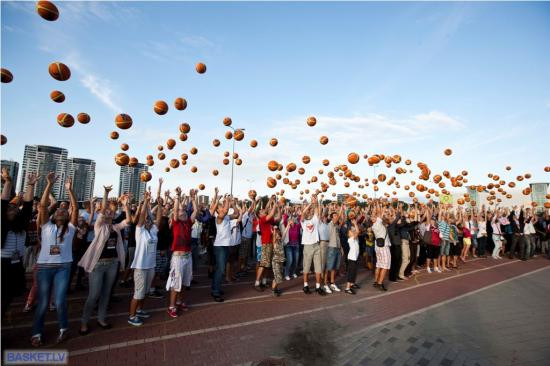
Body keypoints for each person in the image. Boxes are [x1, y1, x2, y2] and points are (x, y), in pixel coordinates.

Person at [31, 173, 78, 346]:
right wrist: (49, 184)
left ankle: (63, 329)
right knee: (43, 302)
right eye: (58, 210)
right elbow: (43, 206)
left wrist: (70, 190)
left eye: (64, 211)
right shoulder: (46, 226)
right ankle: (36, 333)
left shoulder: (71, 229)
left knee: (59, 300)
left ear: (67, 216)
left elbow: (75, 207)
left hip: (63, 267)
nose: (61, 211)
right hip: (44, 267)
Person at [79, 185, 131, 335]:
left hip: (112, 263)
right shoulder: (99, 226)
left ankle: (101, 319)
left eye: (111, 213)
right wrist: (106, 194)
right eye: (107, 212)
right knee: (94, 294)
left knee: (106, 293)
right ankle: (84, 322)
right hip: (98, 264)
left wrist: (125, 206)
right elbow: (102, 214)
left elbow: (128, 221)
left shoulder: (115, 228)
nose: (109, 214)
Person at [2, 168, 37, 318]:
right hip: (2, 262)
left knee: (10, 296)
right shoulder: (2, 223)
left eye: (15, 208)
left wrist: (30, 185)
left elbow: (28, 206)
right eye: (10, 208)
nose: (13, 210)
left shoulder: (20, 223)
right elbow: (3, 202)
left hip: (17, 263)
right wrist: (8, 182)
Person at [128, 190, 163, 326]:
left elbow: (158, 218)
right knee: (138, 293)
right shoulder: (140, 231)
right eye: (147, 220)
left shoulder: (153, 231)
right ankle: (132, 316)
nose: (148, 221)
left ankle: (140, 310)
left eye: (150, 220)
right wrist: (146, 201)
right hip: (141, 267)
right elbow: (142, 216)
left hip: (150, 266)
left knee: (146, 292)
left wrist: (159, 205)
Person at [166, 188, 198, 317]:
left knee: (185, 282)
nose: (182, 212)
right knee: (175, 283)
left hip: (187, 256)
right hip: (177, 257)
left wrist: (193, 198)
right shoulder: (176, 223)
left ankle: (180, 301)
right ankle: (172, 306)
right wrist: (178, 196)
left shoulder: (188, 223)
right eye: (180, 211)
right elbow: (174, 211)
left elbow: (195, 211)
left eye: (184, 211)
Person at [210, 189, 240, 302]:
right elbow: (226, 210)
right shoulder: (219, 218)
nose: (223, 208)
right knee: (221, 270)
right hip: (220, 247)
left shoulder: (227, 217)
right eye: (221, 207)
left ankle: (215, 288)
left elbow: (236, 214)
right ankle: (216, 292)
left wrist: (234, 204)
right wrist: (227, 200)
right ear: (218, 210)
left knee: (219, 268)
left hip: (226, 246)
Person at [300, 194, 325, 295]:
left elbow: (317, 211)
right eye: (308, 211)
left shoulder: (314, 220)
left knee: (318, 267)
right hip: (307, 246)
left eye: (311, 211)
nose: (310, 212)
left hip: (316, 245)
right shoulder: (303, 221)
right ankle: (305, 285)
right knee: (306, 267)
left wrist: (316, 202)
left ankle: (318, 287)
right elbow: (302, 213)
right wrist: (310, 203)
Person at [254, 196, 279, 291]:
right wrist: (274, 204)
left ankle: (264, 281)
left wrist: (271, 201)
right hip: (265, 244)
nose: (264, 211)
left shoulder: (268, 219)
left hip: (270, 243)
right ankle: (257, 283)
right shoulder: (262, 220)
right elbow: (271, 212)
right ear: (260, 215)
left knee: (267, 264)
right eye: (262, 211)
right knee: (263, 264)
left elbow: (277, 216)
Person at [324, 205, 344, 294]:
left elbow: (342, 221)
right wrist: (341, 208)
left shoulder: (336, 226)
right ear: (332, 218)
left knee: (334, 267)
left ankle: (332, 283)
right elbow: (338, 218)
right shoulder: (330, 224)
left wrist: (341, 248)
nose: (336, 217)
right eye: (335, 216)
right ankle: (325, 284)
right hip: (331, 248)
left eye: (336, 215)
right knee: (329, 267)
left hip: (337, 248)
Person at [372, 202, 391, 291]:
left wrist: (376, 205)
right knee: (385, 265)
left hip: (378, 247)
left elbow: (379, 214)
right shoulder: (378, 223)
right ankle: (380, 283)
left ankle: (376, 282)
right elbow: (380, 213)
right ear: (375, 219)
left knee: (379, 264)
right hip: (384, 247)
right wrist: (381, 205)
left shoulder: (373, 226)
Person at [283, 208, 300, 280]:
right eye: (290, 220)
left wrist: (300, 213)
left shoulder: (297, 226)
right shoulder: (286, 226)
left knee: (296, 260)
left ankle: (293, 272)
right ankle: (286, 273)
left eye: (292, 220)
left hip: (296, 245)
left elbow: (301, 219)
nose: (291, 221)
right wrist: (286, 210)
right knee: (290, 260)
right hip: (288, 245)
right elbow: (284, 218)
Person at [344, 219, 360, 294]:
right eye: (350, 232)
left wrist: (354, 225)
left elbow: (357, 232)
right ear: (349, 235)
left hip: (355, 258)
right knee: (351, 272)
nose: (352, 232)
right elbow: (357, 232)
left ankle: (352, 284)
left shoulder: (355, 239)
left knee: (354, 272)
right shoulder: (350, 239)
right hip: (352, 258)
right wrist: (355, 224)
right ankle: (347, 288)